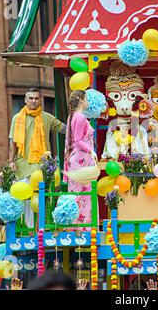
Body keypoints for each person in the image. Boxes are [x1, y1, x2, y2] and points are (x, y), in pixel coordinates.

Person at [8, 88, 66, 228]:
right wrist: (10, 161)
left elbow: (64, 129)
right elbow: (13, 142)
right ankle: (29, 230)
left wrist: (80, 122)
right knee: (26, 199)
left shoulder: (47, 117)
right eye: (31, 98)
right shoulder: (17, 118)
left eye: (36, 98)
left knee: (43, 198)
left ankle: (42, 228)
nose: (34, 101)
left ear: (40, 100)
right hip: (23, 165)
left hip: (42, 166)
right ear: (25, 100)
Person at [64, 90, 97, 230]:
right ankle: (83, 227)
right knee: (82, 193)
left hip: (79, 159)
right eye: (86, 98)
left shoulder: (74, 117)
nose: (88, 101)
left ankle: (78, 225)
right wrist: (91, 151)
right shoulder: (79, 118)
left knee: (79, 192)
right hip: (80, 159)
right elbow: (78, 140)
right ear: (81, 100)